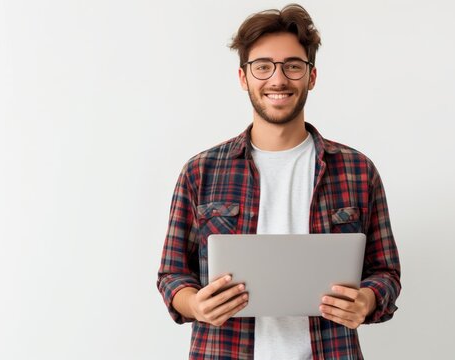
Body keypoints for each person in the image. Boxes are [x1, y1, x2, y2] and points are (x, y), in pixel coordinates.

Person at [157, 4, 401, 359]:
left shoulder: (357, 170)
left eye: (292, 66)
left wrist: (366, 300)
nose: (278, 79)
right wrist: (196, 304)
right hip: (224, 351)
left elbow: (386, 272)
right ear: (244, 78)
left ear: (311, 77)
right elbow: (172, 274)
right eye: (263, 67)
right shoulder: (201, 171)